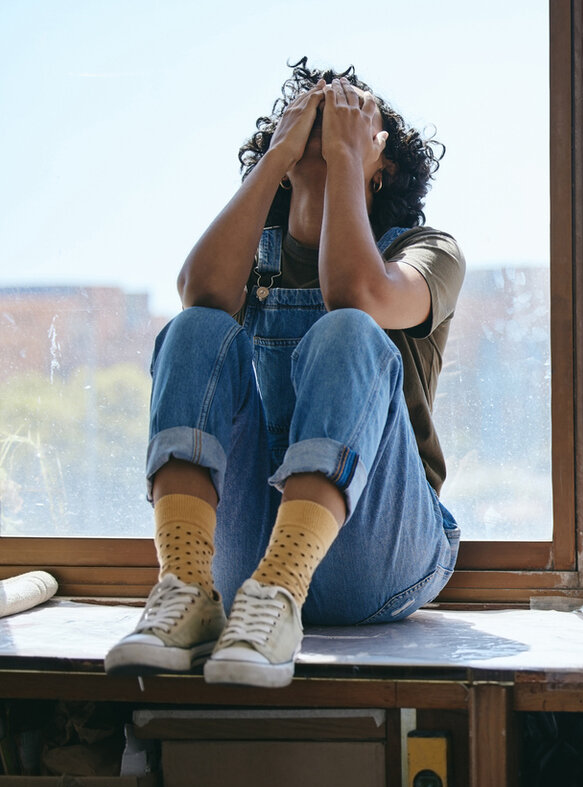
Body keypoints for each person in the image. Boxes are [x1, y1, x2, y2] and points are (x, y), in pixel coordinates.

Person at [104, 59, 464, 688]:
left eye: (353, 117)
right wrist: (276, 161)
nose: (329, 119)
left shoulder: (425, 252)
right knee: (195, 327)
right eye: (311, 116)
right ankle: (186, 587)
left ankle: (284, 587)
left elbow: (358, 293)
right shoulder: (255, 249)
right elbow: (201, 291)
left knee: (349, 327)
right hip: (246, 561)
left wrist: (350, 161)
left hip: (377, 557)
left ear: (389, 165)